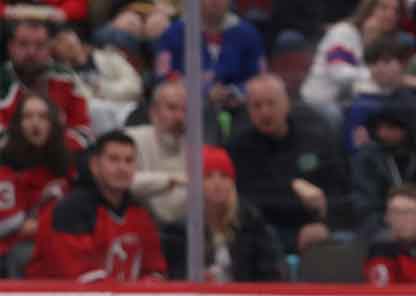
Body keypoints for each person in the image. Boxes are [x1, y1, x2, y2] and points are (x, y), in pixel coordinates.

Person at [228, 74, 348, 253]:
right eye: (257, 106)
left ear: (287, 104)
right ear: (248, 110)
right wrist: (293, 188)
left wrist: (325, 223)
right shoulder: (238, 148)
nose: (265, 112)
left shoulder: (317, 141)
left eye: (271, 103)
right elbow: (247, 200)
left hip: (313, 230)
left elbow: (342, 193)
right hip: (260, 234)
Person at [27, 130, 166, 281]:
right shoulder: (69, 210)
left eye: (129, 160)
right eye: (113, 159)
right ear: (94, 165)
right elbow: (80, 277)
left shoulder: (140, 214)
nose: (122, 168)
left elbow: (155, 270)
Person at [161, 145, 287, 282]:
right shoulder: (179, 231)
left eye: (224, 176)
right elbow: (177, 277)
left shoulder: (251, 224)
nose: (217, 183)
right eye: (208, 176)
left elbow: (271, 274)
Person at [0, 90, 70, 273]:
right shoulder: (4, 166)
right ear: (17, 124)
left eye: (43, 116)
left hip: (57, 244)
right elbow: (13, 228)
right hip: (13, 251)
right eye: (28, 116)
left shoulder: (65, 164)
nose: (35, 122)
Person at [351, 98, 416, 234]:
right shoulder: (367, 158)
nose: (382, 133)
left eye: (391, 128)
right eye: (379, 127)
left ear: (406, 128)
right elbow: (364, 204)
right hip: (382, 227)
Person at [154, 0, 265, 111]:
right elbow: (164, 77)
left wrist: (235, 92)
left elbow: (260, 78)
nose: (215, 1)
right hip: (187, 113)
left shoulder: (248, 34)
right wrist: (205, 91)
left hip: (241, 111)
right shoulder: (173, 34)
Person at [0, 18, 92, 152]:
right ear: (10, 47)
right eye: (23, 44)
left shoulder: (66, 78)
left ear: (50, 48)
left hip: (59, 159)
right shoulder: (2, 79)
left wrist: (48, 145)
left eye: (39, 45)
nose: (31, 52)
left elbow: (83, 132)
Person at [301, 0, 400, 124]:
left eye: (395, 10)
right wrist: (372, 73)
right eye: (384, 8)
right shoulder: (344, 32)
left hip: (349, 102)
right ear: (368, 9)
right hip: (321, 102)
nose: (390, 14)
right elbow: (337, 73)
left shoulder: (385, 42)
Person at [127, 79, 192, 227]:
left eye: (185, 110)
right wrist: (172, 180)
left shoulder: (195, 147)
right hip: (142, 224)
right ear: (153, 112)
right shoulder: (131, 139)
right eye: (172, 108)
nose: (179, 117)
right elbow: (123, 180)